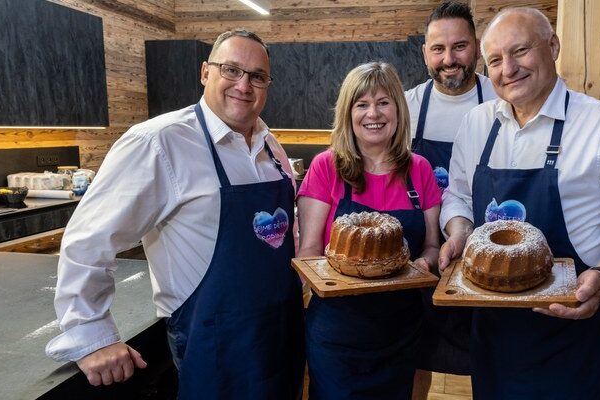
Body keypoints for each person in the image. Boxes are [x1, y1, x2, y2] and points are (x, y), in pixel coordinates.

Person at [45, 30, 305, 399]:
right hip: (214, 343)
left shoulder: (270, 146)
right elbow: (89, 238)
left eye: (257, 76)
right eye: (231, 70)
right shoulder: (158, 142)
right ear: (205, 72)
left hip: (280, 334)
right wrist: (90, 333)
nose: (244, 85)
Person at [438, 7, 600, 399]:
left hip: (572, 338)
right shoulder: (476, 124)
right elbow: (458, 195)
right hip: (493, 337)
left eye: (520, 51)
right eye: (495, 60)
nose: (508, 69)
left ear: (553, 46)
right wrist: (459, 231)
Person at [296, 61, 442, 399]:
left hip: (402, 330)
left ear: (398, 109)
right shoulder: (326, 167)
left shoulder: (419, 170)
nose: (373, 113)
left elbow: (432, 246)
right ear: (348, 113)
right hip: (338, 334)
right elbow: (309, 252)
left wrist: (425, 263)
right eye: (361, 104)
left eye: (383, 102)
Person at [403, 2, 497, 397]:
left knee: (491, 359)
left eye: (459, 47)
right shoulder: (406, 106)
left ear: (476, 47)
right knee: (415, 359)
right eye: (438, 49)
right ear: (425, 52)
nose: (449, 59)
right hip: (421, 257)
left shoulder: (500, 99)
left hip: (486, 255)